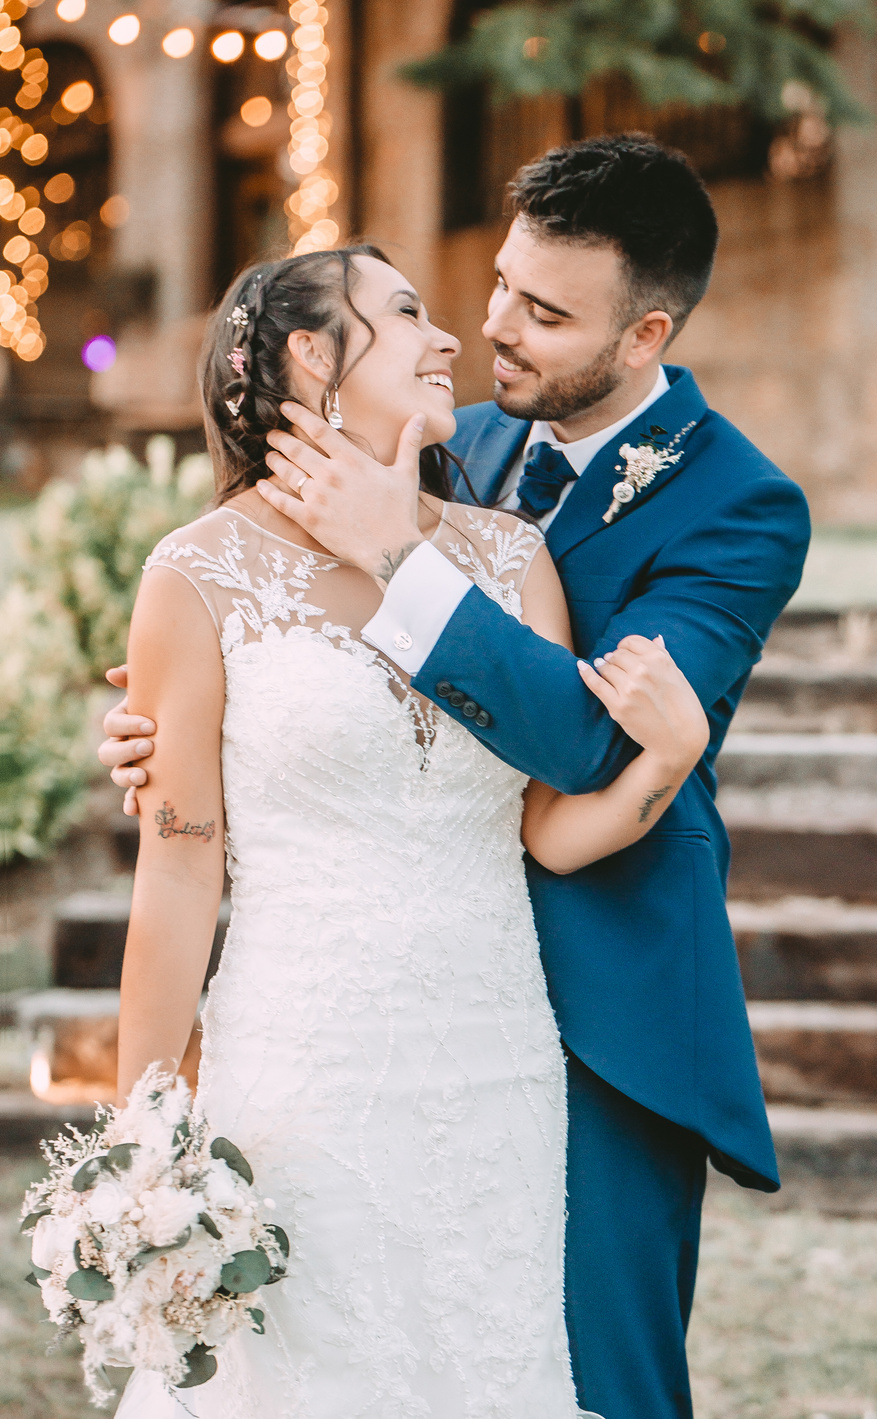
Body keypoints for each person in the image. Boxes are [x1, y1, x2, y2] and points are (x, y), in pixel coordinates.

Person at [110, 242, 709, 1419]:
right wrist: (140, 1131)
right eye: (407, 313)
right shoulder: (198, 574)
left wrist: (671, 757)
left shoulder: (509, 558)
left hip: (495, 1066)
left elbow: (550, 831)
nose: (450, 339)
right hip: (300, 1063)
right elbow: (179, 869)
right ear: (309, 357)